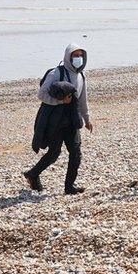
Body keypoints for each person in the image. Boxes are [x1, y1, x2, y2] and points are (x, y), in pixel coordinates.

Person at [23, 44, 92, 195]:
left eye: (80, 56)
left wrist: (87, 119)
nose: (78, 59)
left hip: (72, 120)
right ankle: (33, 174)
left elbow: (82, 100)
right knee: (54, 153)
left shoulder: (81, 76)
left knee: (76, 152)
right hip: (55, 120)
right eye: (75, 55)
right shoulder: (56, 73)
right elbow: (41, 95)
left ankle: (69, 186)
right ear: (68, 56)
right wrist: (61, 101)